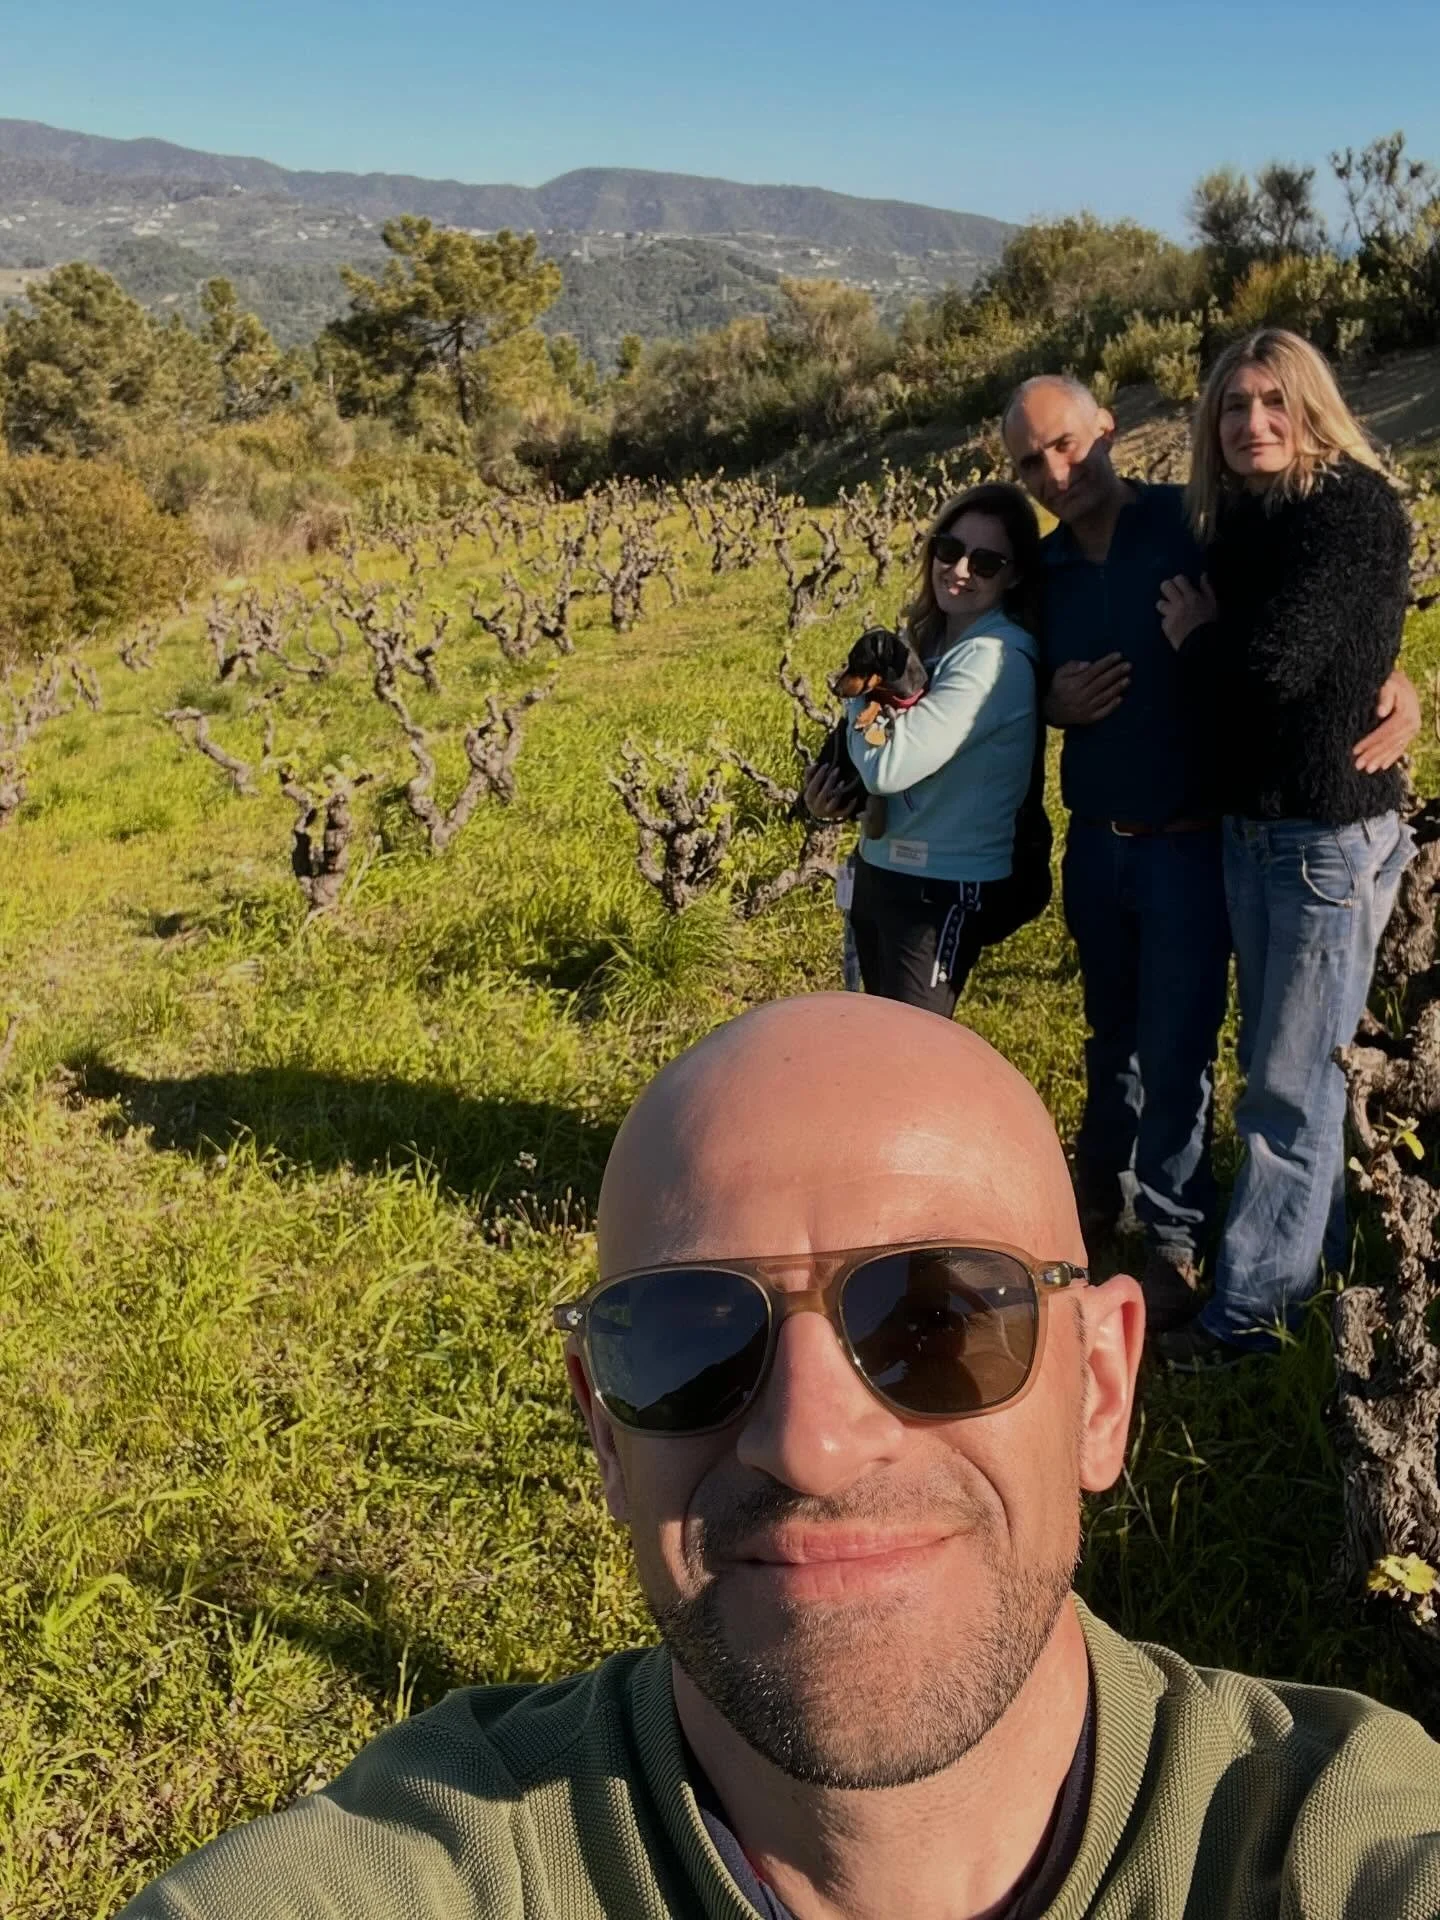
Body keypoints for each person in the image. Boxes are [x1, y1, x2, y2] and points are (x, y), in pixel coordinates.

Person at [121, 994, 1440, 1918]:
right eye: (691, 1339)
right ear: (601, 1425)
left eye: (934, 1319)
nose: (810, 1441)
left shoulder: (1339, 1844)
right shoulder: (433, 1866)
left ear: (1101, 1388)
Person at [1000, 374, 1420, 1334]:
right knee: (1111, 1034)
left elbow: (1310, 614)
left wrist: (1396, 679)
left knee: (1182, 1047)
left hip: (1197, 842)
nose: (1055, 472)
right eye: (1030, 461)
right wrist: (1047, 707)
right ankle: (1098, 1197)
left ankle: (1176, 1236)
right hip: (1096, 843)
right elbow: (981, 667)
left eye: (1066, 444)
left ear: (1108, 426)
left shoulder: (1194, 523)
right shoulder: (1041, 570)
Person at [1155, 329, 1417, 1367]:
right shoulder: (1248, 524)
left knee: (1289, 1084)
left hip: (1322, 835)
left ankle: (1252, 1319)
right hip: (1261, 831)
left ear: (1311, 406)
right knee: (1287, 1067)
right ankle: (1309, 1270)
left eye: (1273, 401)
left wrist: (1199, 637)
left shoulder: (1346, 510)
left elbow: (1274, 666)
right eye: (1232, 407)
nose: (1252, 423)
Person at [804, 482, 1042, 1017]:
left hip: (940, 889)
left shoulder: (991, 660)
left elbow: (889, 766)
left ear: (1015, 574)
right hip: (883, 867)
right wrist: (833, 796)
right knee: (880, 1037)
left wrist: (861, 686)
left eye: (985, 562)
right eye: (949, 549)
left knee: (914, 1051)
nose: (959, 570)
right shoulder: (935, 644)